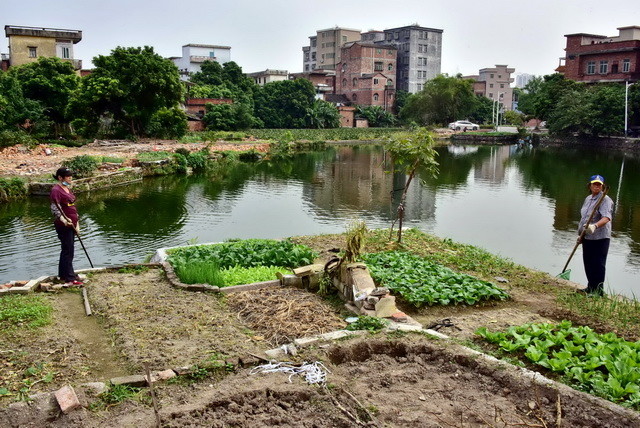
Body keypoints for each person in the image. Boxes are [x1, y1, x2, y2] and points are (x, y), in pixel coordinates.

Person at [578, 174, 613, 295]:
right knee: (588, 262)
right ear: (590, 185)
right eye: (595, 184)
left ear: (602, 186)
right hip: (587, 236)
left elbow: (607, 218)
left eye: (599, 184)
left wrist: (595, 226)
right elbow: (584, 218)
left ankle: (598, 291)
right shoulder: (588, 199)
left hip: (600, 237)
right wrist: (581, 235)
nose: (597, 186)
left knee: (598, 264)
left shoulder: (605, 199)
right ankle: (591, 287)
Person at [50, 167, 83, 286]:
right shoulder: (56, 190)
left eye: (71, 176)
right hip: (64, 226)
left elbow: (72, 207)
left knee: (67, 250)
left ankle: (64, 275)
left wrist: (77, 223)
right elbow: (55, 208)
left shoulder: (67, 189)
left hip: (73, 224)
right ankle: (70, 278)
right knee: (68, 251)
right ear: (60, 178)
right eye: (68, 176)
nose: (70, 178)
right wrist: (64, 219)